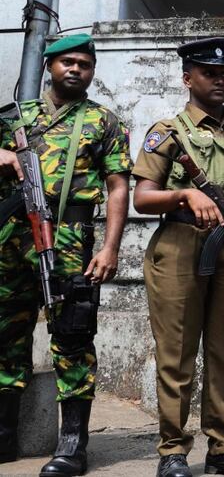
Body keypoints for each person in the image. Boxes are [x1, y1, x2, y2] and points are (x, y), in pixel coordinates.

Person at [132, 37, 224, 477]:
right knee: (176, 354)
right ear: (187, 78)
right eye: (209, 73)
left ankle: (222, 449)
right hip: (179, 246)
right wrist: (185, 194)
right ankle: (172, 452)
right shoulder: (168, 130)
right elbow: (142, 196)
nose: (218, 79)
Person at [0, 34, 130, 476]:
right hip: (9, 241)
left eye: (84, 64)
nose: (75, 69)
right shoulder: (14, 117)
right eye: (67, 62)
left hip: (71, 242)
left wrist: (111, 247)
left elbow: (118, 187)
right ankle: (4, 438)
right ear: (49, 66)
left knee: (73, 336)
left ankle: (73, 445)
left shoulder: (103, 121)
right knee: (5, 336)